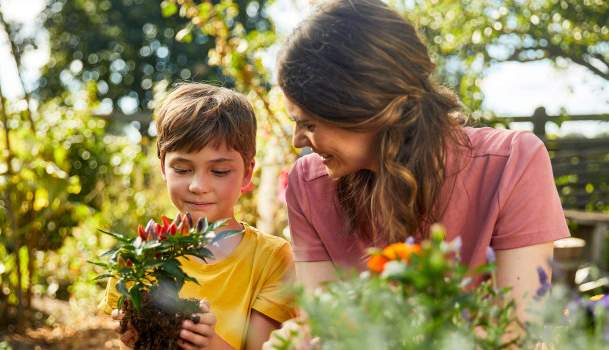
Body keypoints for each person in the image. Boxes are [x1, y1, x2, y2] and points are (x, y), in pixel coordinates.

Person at [277, 0, 569, 325]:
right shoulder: (309, 185)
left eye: (308, 124)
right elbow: (325, 332)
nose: (297, 141)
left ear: (365, 106)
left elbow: (514, 334)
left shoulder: (511, 164)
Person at [98, 83, 295, 350]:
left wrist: (209, 343)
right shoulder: (140, 257)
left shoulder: (272, 258)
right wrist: (133, 339)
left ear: (247, 173)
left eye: (220, 171)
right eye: (182, 169)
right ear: (164, 168)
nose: (198, 185)